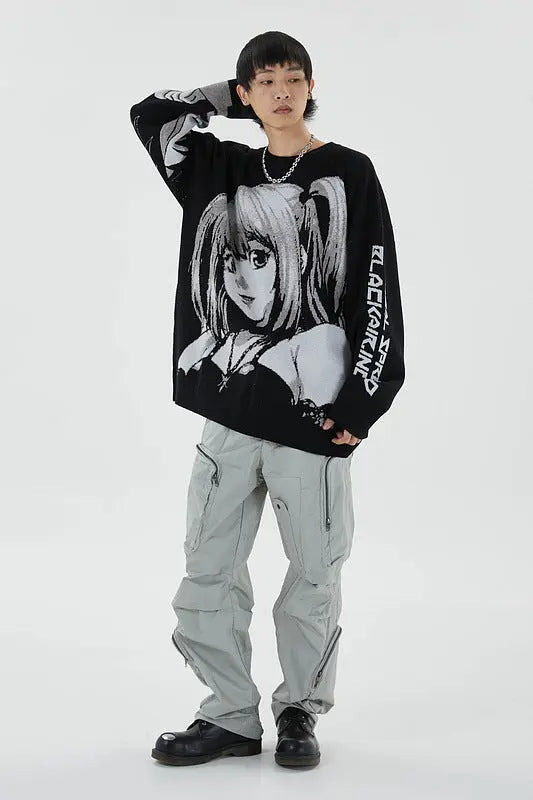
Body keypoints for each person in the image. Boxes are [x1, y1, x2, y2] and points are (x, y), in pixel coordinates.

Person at [129, 30, 405, 768]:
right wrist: (228, 97)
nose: (281, 90)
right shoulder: (218, 168)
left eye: (293, 77)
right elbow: (151, 115)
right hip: (227, 417)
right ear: (245, 93)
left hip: (314, 421)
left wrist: (361, 405)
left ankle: (299, 712)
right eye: (265, 80)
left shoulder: (347, 172)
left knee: (313, 574)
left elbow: (375, 285)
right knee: (207, 570)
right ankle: (228, 715)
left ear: (312, 87)